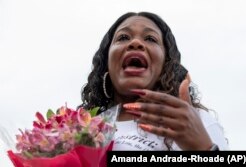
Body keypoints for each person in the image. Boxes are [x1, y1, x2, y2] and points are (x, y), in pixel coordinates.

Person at [80, 12, 228, 151]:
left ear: (165, 66)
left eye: (150, 39)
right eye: (123, 37)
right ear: (107, 63)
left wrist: (203, 149)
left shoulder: (193, 120)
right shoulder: (81, 128)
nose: (136, 42)